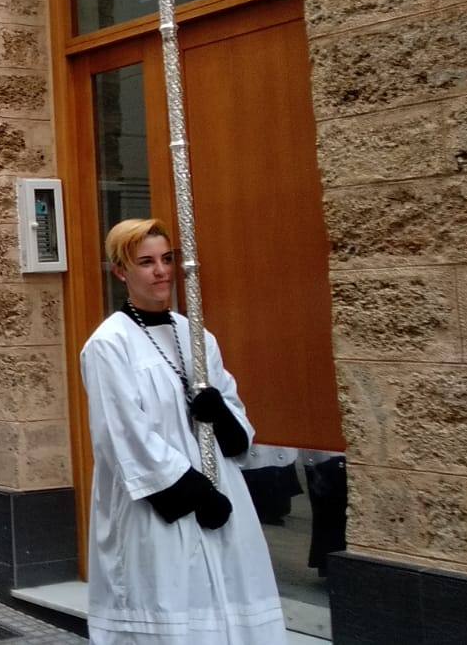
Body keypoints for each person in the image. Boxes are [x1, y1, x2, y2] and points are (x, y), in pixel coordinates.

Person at [82, 218, 284, 644]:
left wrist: (219, 415)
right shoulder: (109, 345)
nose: (162, 271)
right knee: (171, 606)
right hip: (158, 504)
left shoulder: (196, 337)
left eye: (167, 259)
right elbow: (124, 436)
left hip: (220, 490)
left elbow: (235, 414)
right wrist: (195, 494)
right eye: (146, 262)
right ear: (121, 272)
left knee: (230, 603)